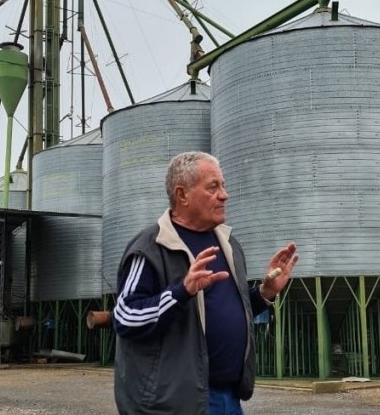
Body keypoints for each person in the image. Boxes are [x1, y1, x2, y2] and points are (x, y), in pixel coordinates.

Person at [112, 151, 298, 415]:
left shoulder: (228, 244)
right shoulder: (151, 248)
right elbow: (125, 317)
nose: (224, 195)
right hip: (175, 404)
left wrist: (265, 294)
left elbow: (221, 310)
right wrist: (181, 291)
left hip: (228, 399)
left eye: (223, 186)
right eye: (213, 187)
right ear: (182, 195)